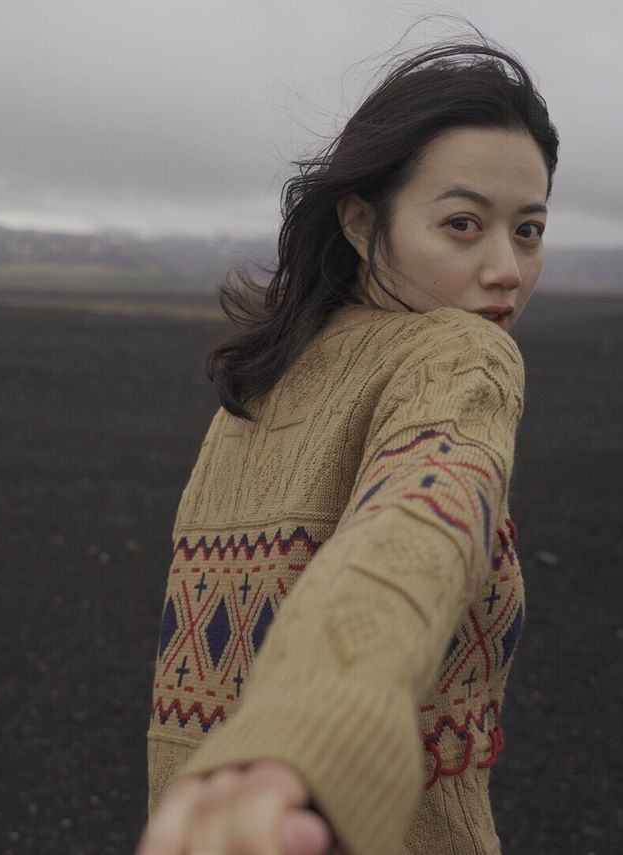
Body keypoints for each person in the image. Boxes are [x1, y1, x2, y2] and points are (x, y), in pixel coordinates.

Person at [136, 32, 559, 855]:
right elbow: (412, 533)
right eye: (463, 224)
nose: (506, 267)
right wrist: (309, 739)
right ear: (363, 221)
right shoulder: (461, 353)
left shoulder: (257, 389)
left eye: (531, 229)